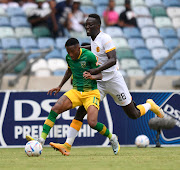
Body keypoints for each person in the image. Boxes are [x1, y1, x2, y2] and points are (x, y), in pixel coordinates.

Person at [54, 13, 165, 156]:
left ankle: (150, 105)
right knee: (81, 110)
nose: (88, 27)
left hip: (113, 80)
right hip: (97, 83)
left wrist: (96, 70)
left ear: (98, 26)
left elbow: (113, 60)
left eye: (91, 25)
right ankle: (67, 145)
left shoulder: (105, 38)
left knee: (133, 114)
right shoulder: (92, 41)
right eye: (86, 24)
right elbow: (90, 50)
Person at [26, 38, 120, 156]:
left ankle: (112, 138)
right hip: (76, 91)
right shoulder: (69, 57)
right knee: (55, 109)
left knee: (92, 123)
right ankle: (41, 140)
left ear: (78, 48)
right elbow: (69, 71)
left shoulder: (90, 56)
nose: (70, 54)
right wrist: (60, 86)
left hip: (91, 93)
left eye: (72, 52)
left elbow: (101, 74)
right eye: (68, 52)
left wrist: (93, 77)